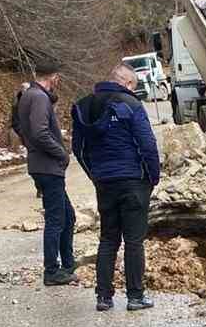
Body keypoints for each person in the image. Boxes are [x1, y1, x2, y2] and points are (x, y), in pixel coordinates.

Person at [72, 63, 161, 313]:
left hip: (105, 182)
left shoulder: (84, 106)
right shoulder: (131, 104)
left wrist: (95, 175)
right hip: (133, 180)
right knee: (134, 240)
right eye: (134, 85)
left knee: (108, 238)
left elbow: (78, 149)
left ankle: (103, 297)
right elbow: (147, 144)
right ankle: (135, 296)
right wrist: (153, 177)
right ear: (128, 83)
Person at [15, 59, 77, 287]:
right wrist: (61, 154)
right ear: (53, 77)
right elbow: (40, 132)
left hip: (41, 165)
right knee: (56, 219)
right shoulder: (39, 98)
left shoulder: (27, 95)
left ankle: (68, 264)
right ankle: (52, 270)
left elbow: (21, 128)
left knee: (68, 216)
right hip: (48, 167)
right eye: (58, 78)